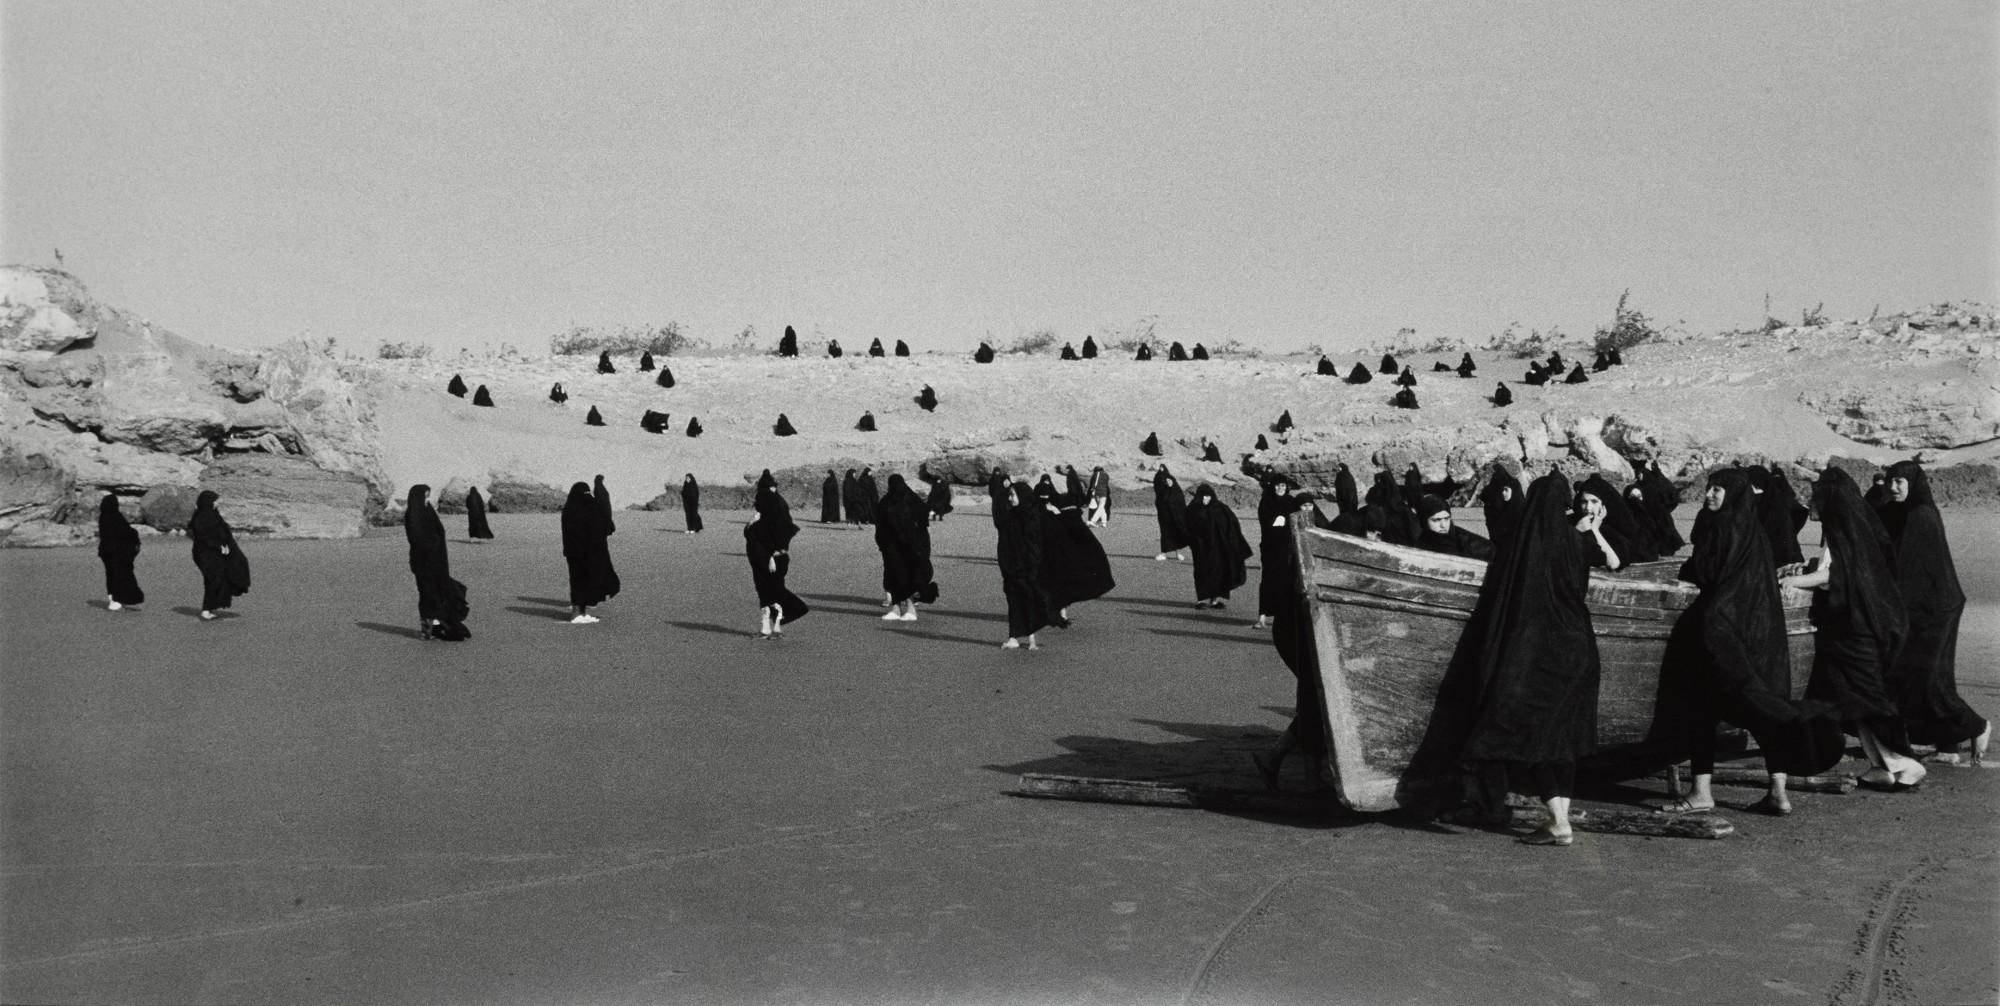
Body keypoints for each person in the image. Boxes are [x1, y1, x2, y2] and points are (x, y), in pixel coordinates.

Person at [1660, 469, 1843, 816]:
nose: (1709, 495)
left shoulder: (1723, 527)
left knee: (1703, 707)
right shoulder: (1754, 530)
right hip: (1762, 630)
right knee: (1766, 706)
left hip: (1724, 629)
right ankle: (1778, 792)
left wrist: (1690, 571)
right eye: (1709, 489)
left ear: (1733, 494)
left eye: (1717, 490)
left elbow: (1707, 572)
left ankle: (1701, 792)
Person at [1458, 473, 1602, 846]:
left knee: (1530, 732)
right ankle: (1561, 818)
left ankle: (1558, 822)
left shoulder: (1529, 544)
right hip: (1581, 647)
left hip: (1542, 650)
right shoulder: (1577, 539)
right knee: (1564, 738)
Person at [1780, 469, 1924, 786]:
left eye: (1814, 495)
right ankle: (1884, 764)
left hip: (1857, 628)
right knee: (1853, 695)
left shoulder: (1842, 528)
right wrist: (1807, 568)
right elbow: (1837, 568)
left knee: (1867, 693)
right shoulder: (1849, 526)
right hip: (1858, 622)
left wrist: (1794, 580)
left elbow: (1834, 576)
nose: (1808, 501)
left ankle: (1905, 761)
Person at [1877, 460, 1989, 766]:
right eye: (1891, 481)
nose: (1893, 487)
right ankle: (1948, 747)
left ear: (1914, 484)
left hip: (1934, 610)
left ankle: (1976, 725)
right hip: (1921, 605)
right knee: (1926, 678)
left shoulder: (1920, 515)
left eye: (1900, 482)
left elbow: (1907, 568)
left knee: (1927, 678)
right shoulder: (1902, 512)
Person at [995, 479, 1060, 649]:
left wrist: (1033, 566)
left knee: (1029, 601)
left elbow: (1037, 544)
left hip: (1028, 569)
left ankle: (1031, 639)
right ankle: (1013, 637)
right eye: (1010, 495)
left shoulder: (1033, 517)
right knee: (1013, 601)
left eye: (1013, 495)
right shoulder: (1010, 516)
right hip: (1011, 568)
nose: (1010, 498)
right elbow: (1004, 542)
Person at [404, 485, 470, 640]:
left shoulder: (428, 510)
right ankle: (428, 629)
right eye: (425, 496)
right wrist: (432, 543)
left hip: (437, 560)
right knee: (428, 594)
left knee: (440, 592)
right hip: (423, 562)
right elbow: (416, 538)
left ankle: (437, 625)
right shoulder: (413, 513)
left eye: (429, 495)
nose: (428, 499)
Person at [875, 474, 939, 621]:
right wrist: (882, 544)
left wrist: (918, 545)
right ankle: (895, 609)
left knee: (909, 578)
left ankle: (911, 609)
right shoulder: (886, 502)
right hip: (892, 549)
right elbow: (880, 524)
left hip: (910, 548)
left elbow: (922, 522)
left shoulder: (911, 501)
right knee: (893, 577)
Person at [1252, 474, 1309, 629]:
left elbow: (1304, 513)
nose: (1280, 488)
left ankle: (1283, 618)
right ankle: (1262, 616)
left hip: (1288, 548)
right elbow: (1264, 522)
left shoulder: (1291, 502)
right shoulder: (1266, 502)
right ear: (1273, 486)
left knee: (1287, 581)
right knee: (1268, 580)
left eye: (1283, 486)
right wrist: (1276, 521)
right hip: (1270, 547)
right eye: (1277, 485)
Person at [1185, 483, 1251, 609]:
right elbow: (1188, 528)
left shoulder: (1220, 508)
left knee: (1219, 573)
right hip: (1202, 549)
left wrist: (1232, 543)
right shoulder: (1193, 509)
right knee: (1203, 573)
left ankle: (1214, 600)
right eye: (1203, 497)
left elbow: (1232, 524)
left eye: (1208, 496)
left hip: (1219, 548)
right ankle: (1201, 600)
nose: (1206, 499)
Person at [560, 482, 619, 624]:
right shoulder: (588, 509)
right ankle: (576, 614)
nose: (588, 496)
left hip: (575, 552)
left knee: (580, 582)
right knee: (580, 582)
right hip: (585, 553)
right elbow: (601, 528)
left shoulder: (570, 508)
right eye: (585, 493)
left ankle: (581, 612)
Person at [187, 490, 248, 620]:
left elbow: (221, 532)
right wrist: (219, 546)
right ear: (209, 502)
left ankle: (208, 608)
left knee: (218, 579)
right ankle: (206, 610)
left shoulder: (213, 514)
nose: (218, 503)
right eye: (215, 500)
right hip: (204, 554)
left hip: (214, 553)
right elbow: (202, 536)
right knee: (213, 580)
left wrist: (224, 545)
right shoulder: (201, 517)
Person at [97, 494, 144, 610]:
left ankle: (113, 598)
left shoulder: (103, 517)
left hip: (107, 552)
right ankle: (117, 599)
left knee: (111, 575)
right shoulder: (115, 517)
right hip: (117, 553)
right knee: (121, 575)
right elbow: (126, 532)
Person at [1412, 495, 1493, 560]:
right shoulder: (1418, 540)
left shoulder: (1467, 543)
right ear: (1423, 521)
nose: (1443, 525)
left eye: (1446, 519)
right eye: (1436, 520)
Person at [1479, 465, 1526, 552]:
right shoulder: (1496, 508)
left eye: (1506, 490)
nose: (1503, 493)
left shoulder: (1519, 509)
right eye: (1501, 490)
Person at [1152, 466, 1190, 561]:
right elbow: (1158, 491)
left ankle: (1178, 553)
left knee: (1176, 532)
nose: (1168, 482)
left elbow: (1180, 501)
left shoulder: (1176, 491)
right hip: (1165, 516)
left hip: (1175, 516)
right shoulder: (1162, 491)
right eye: (1166, 481)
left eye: (1170, 480)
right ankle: (1163, 553)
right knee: (1165, 533)